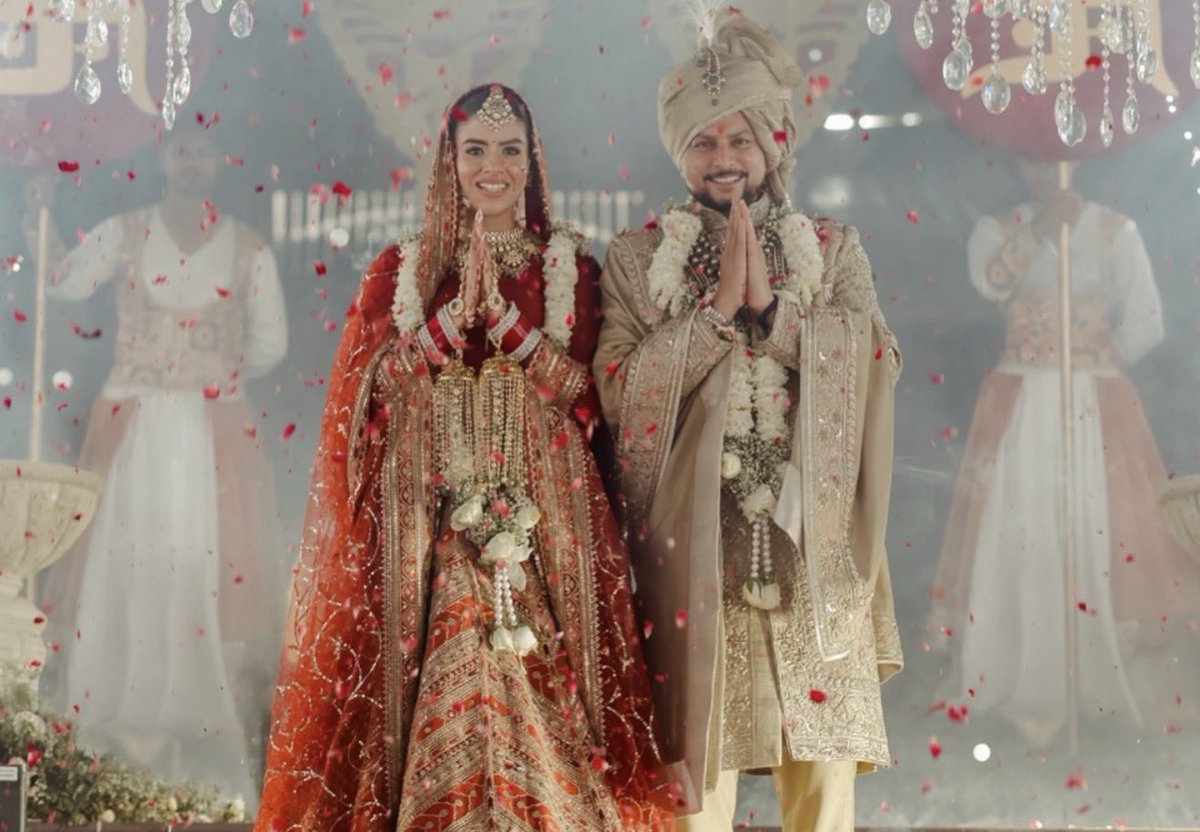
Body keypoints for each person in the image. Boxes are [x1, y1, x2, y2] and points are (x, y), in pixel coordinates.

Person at [255, 83, 672, 831]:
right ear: (449, 161)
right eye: (475, 149)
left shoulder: (571, 269)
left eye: (509, 150)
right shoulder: (404, 269)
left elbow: (590, 401)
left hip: (544, 532)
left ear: (532, 162)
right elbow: (364, 399)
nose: (492, 167)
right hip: (429, 527)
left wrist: (511, 329)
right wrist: (446, 326)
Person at [593, 10, 904, 832]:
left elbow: (877, 358)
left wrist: (777, 314)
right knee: (698, 770)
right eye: (702, 141)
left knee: (822, 775)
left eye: (740, 138)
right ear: (679, 153)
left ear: (773, 142)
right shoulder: (635, 260)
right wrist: (714, 320)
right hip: (697, 548)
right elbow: (615, 384)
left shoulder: (831, 247)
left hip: (812, 536)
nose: (723, 157)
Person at [27, 128, 288, 805]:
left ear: (222, 159)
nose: (192, 160)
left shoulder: (249, 249)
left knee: (199, 561)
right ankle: (106, 724)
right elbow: (62, 283)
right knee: (124, 557)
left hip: (209, 433)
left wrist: (215, 370)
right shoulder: (124, 233)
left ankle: (193, 728)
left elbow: (271, 342)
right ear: (161, 156)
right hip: (134, 426)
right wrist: (37, 216)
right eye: (181, 148)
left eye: (205, 148)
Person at [930, 158, 1200, 743]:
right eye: (1032, 157)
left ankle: (1098, 673)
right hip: (1021, 395)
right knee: (1020, 517)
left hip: (1092, 396)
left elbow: (1147, 320)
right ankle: (1016, 668)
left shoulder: (1114, 230)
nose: (1045, 169)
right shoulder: (997, 230)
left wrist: (1096, 359)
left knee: (1097, 520)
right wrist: (1040, 232)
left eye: (1057, 156)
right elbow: (991, 282)